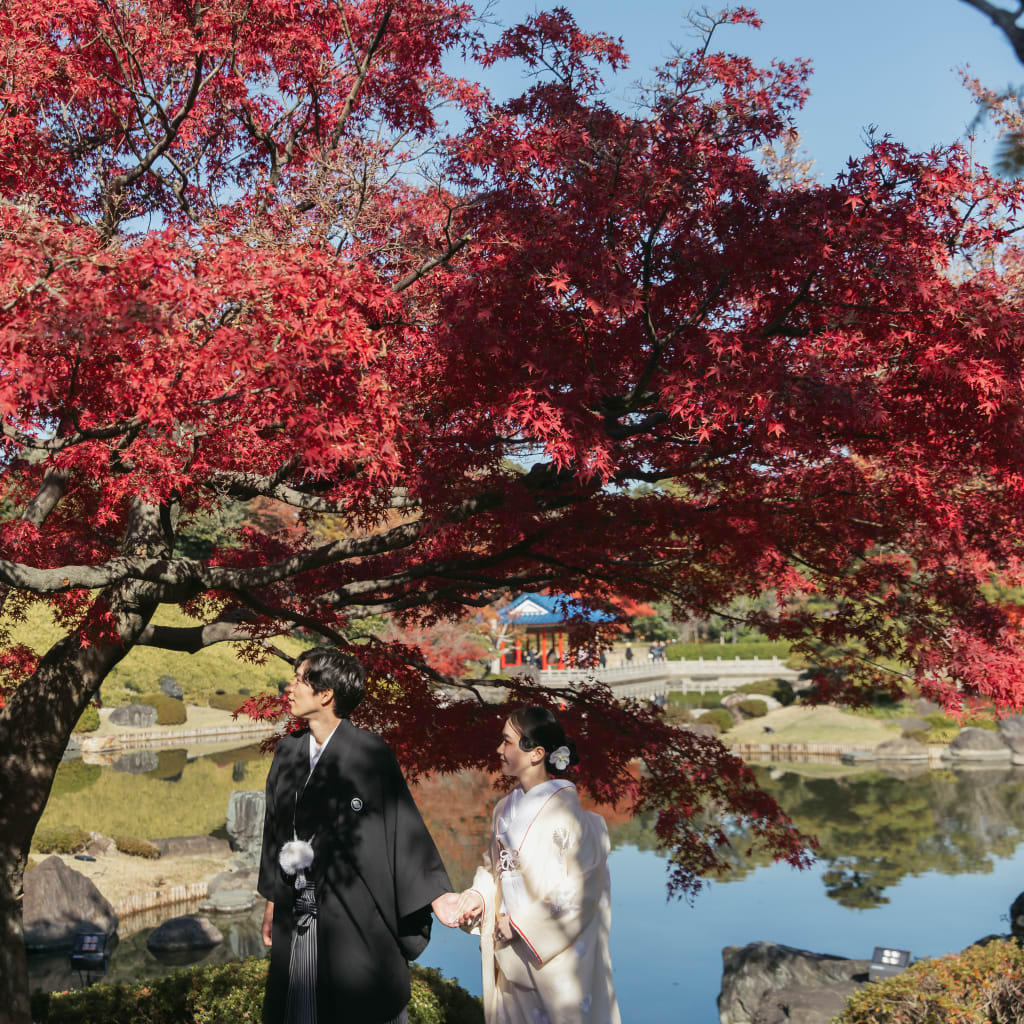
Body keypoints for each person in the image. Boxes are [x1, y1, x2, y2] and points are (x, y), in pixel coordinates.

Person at [258, 647, 460, 1024]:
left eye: (300, 679)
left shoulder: (370, 753)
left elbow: (402, 830)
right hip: (296, 902)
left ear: (326, 694)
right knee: (298, 1003)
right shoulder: (287, 752)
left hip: (352, 907)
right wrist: (272, 898)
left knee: (356, 1000)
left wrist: (437, 896)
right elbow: (274, 832)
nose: (290, 686)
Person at [455, 707, 620, 1024]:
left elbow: (579, 889)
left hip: (553, 958)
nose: (499, 751)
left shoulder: (571, 818)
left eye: (507, 743)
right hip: (509, 951)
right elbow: (494, 870)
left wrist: (521, 923)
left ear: (537, 754)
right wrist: (477, 896)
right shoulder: (504, 808)